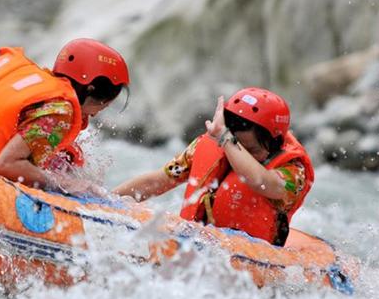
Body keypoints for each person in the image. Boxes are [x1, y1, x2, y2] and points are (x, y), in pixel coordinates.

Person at [113, 88, 315, 246]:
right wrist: (109, 200)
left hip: (252, 255)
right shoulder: (211, 144)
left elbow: (261, 182)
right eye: (237, 145)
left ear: (275, 143)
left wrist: (227, 140)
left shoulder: (294, 170)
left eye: (249, 150)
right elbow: (158, 181)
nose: (238, 155)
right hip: (201, 243)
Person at [0, 38, 129, 191]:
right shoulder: (60, 113)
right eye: (102, 106)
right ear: (91, 89)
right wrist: (64, 185)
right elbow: (7, 164)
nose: (96, 115)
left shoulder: (37, 85)